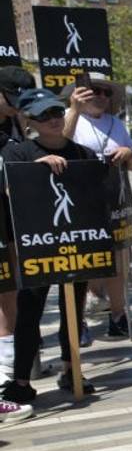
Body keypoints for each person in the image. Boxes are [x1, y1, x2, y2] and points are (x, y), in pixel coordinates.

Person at [0, 89, 97, 403]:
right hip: (36, 245)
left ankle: (72, 369)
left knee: (74, 309)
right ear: (29, 120)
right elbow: (10, 193)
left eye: (57, 113)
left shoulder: (82, 153)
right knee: (29, 312)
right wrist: (37, 170)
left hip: (75, 242)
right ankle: (21, 380)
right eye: (44, 116)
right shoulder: (18, 153)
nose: (53, 120)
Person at [63, 72, 132, 340]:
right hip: (79, 201)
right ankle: (78, 323)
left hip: (115, 201)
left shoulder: (116, 124)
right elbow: (60, 144)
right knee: (82, 261)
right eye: (95, 91)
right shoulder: (69, 117)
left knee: (118, 261)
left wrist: (128, 154)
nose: (100, 96)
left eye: (106, 92)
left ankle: (118, 316)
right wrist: (75, 110)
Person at [0, 67, 33, 417]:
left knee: (11, 295)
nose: (17, 106)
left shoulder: (14, 122)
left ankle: (5, 379)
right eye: (12, 99)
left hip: (10, 222)